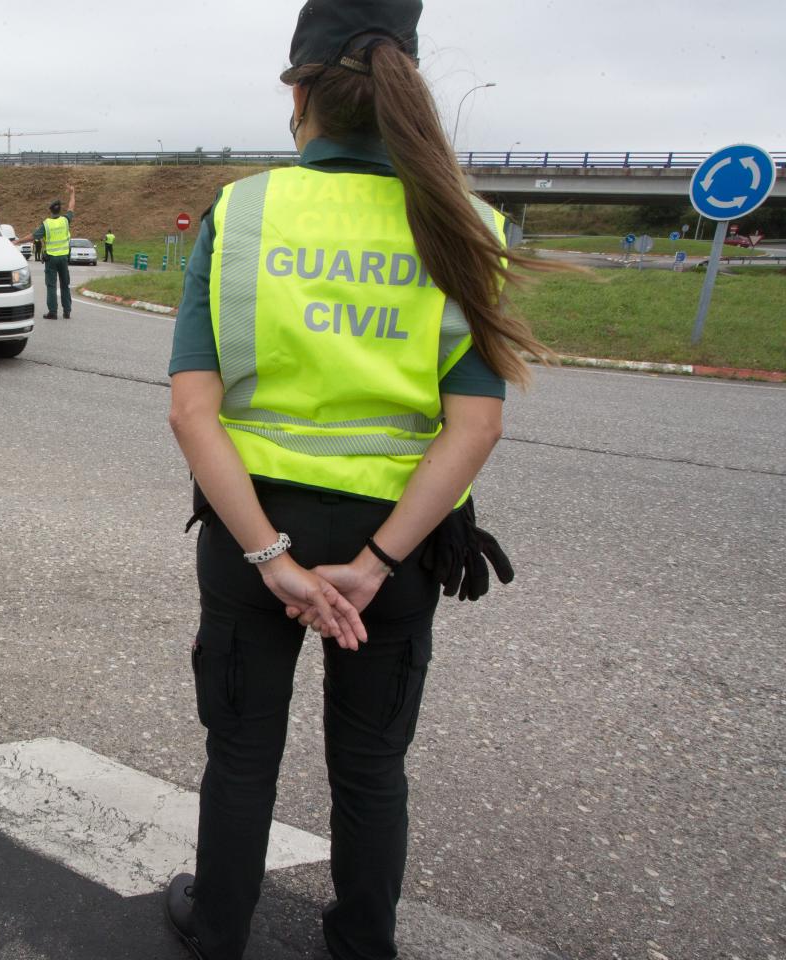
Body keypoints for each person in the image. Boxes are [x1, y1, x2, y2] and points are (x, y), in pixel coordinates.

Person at [161, 2, 551, 958]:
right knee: (372, 767)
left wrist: (273, 559)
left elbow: (191, 412)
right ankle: (363, 943)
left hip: (257, 530)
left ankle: (218, 932)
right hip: (404, 547)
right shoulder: (465, 225)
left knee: (242, 756)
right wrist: (374, 564)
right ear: (407, 91)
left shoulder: (246, 213)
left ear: (300, 95)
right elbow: (477, 424)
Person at [15, 185, 78, 318]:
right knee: (65, 285)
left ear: (50, 211)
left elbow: (32, 236)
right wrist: (72, 193)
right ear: (60, 210)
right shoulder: (65, 220)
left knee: (51, 285)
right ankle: (67, 311)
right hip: (63, 258)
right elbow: (71, 207)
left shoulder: (46, 224)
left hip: (51, 259)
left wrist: (17, 241)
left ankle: (53, 312)